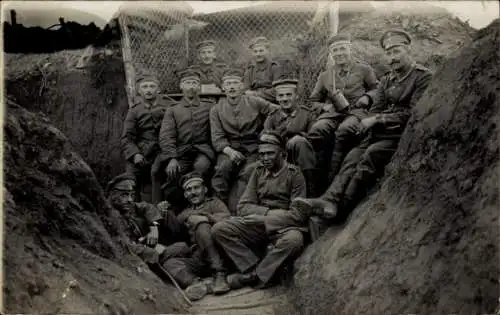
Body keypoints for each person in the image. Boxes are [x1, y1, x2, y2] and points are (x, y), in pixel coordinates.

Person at [295, 29, 433, 223]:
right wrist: (371, 120)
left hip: (401, 136)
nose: (392, 58)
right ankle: (328, 200)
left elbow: (414, 113)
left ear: (408, 50)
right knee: (351, 157)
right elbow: (376, 107)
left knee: (368, 157)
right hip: (378, 132)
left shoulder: (422, 77)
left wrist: (377, 120)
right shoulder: (387, 80)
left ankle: (340, 212)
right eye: (389, 53)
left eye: (396, 52)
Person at [212, 131, 310, 289]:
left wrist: (266, 218)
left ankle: (255, 276)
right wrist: (264, 214)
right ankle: (252, 266)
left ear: (282, 154)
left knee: (294, 241)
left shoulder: (295, 174)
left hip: (284, 226)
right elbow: (243, 206)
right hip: (258, 224)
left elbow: (298, 215)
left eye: (270, 154)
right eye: (261, 154)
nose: (265, 158)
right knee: (219, 229)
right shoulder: (258, 172)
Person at [307, 33, 379, 185]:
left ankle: (333, 180)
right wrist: (325, 106)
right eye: (335, 50)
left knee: (344, 130)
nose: (339, 53)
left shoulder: (364, 69)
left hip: (356, 112)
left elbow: (377, 89)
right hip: (333, 114)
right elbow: (313, 101)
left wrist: (368, 97)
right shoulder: (325, 76)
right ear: (331, 54)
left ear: (350, 48)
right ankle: (315, 177)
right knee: (317, 129)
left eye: (342, 48)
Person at [210, 68, 277, 210]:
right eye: (228, 84)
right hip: (230, 148)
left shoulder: (254, 101)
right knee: (222, 170)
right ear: (223, 87)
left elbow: (275, 110)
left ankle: (244, 208)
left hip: (253, 147)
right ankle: (219, 209)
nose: (232, 87)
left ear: (242, 86)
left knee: (249, 172)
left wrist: (266, 130)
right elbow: (217, 138)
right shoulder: (216, 109)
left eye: (235, 83)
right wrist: (230, 152)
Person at [162, 172, 231, 301]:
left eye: (196, 188)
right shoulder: (184, 213)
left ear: (204, 189)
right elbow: (176, 233)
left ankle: (219, 273)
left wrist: (205, 218)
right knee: (169, 264)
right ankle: (197, 284)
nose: (193, 192)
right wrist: (167, 213)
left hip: (220, 254)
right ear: (185, 194)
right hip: (200, 258)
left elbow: (227, 218)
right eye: (188, 190)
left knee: (201, 225)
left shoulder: (214, 203)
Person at [106, 173, 190, 267]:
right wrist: (153, 251)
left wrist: (154, 228)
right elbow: (123, 246)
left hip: (145, 248)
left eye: (132, 195)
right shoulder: (107, 216)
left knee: (182, 246)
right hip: (142, 256)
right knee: (182, 248)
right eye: (124, 195)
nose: (130, 199)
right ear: (112, 194)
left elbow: (148, 207)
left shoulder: (127, 206)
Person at [157, 69, 214, 207]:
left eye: (194, 83)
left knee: (201, 168)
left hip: (203, 150)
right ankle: (174, 208)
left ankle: (203, 205)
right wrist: (172, 158)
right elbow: (166, 135)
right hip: (181, 152)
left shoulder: (209, 106)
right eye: (187, 83)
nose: (191, 86)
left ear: (199, 86)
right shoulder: (173, 109)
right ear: (181, 86)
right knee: (173, 173)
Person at [121, 74, 175, 203]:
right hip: (143, 150)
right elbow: (127, 137)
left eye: (152, 86)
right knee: (131, 175)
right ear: (139, 91)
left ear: (158, 89)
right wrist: (135, 154)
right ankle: (134, 207)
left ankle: (160, 209)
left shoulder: (170, 106)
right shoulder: (134, 111)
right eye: (144, 87)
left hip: (163, 149)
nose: (148, 90)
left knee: (161, 173)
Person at [263, 78, 319, 196]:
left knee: (299, 142)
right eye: (281, 96)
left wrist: (296, 136)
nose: (284, 99)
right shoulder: (272, 117)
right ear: (277, 98)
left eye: (289, 95)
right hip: (279, 158)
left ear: (296, 96)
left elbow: (315, 138)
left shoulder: (307, 114)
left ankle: (311, 191)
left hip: (302, 158)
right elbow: (264, 136)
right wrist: (275, 137)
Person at [243, 36, 283, 103]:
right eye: (255, 51)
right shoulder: (250, 71)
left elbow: (278, 90)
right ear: (252, 53)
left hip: (272, 103)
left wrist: (255, 94)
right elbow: (246, 91)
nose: (258, 54)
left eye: (261, 51)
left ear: (267, 51)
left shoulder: (274, 68)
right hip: (254, 103)